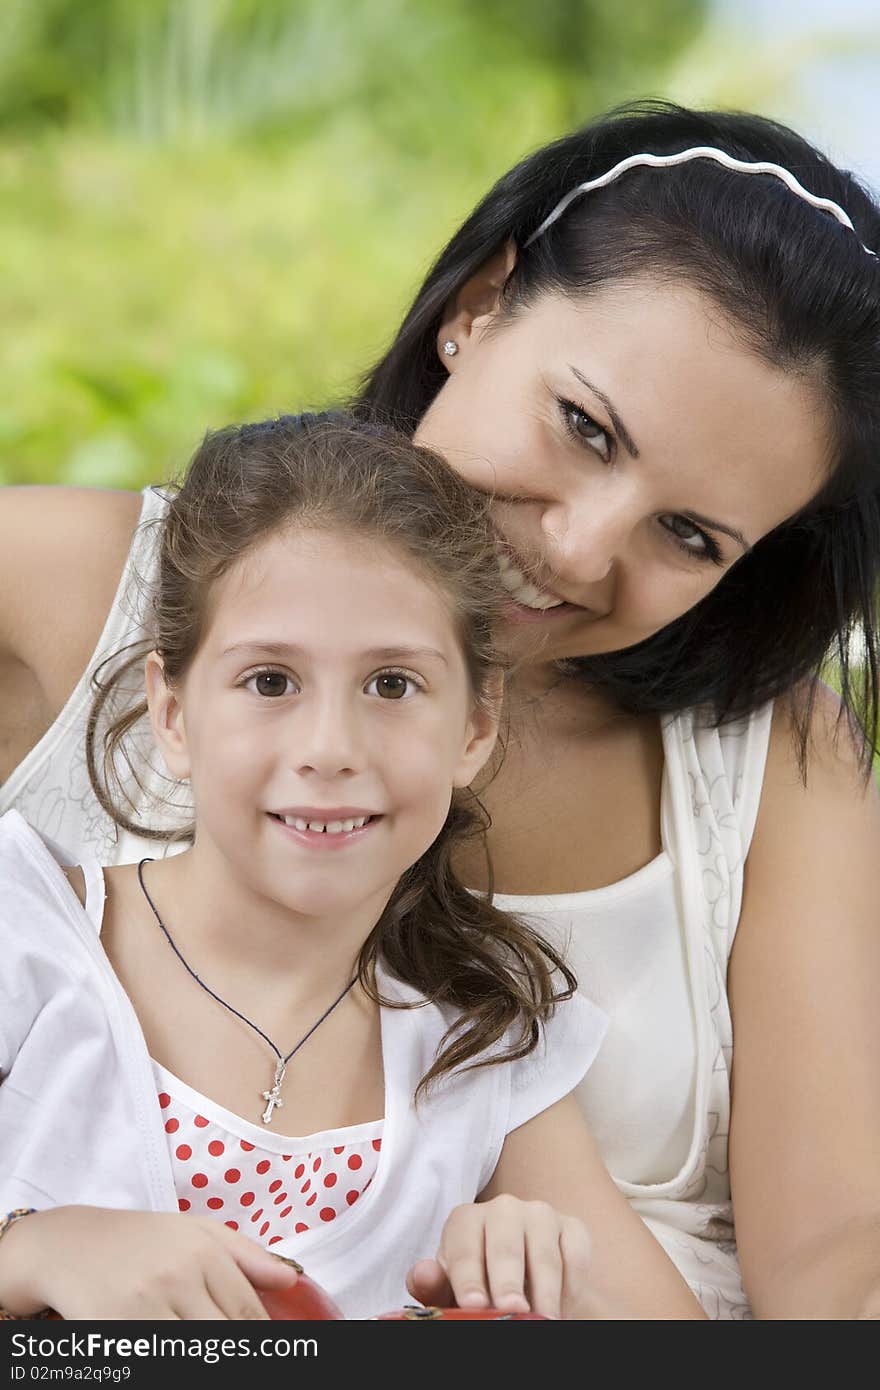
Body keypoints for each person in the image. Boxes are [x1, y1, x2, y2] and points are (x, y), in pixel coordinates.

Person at [1, 99, 879, 1319]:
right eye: (583, 427)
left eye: (687, 534)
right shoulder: (91, 598)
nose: (578, 552)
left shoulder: (773, 759)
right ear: (477, 305)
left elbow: (839, 1249)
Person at [0, 415, 708, 1322]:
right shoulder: (32, 942)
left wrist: (537, 1270)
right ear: (172, 714)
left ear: (474, 727)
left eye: (391, 685)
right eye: (270, 682)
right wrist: (33, 1245)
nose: (330, 749)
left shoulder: (481, 1052)